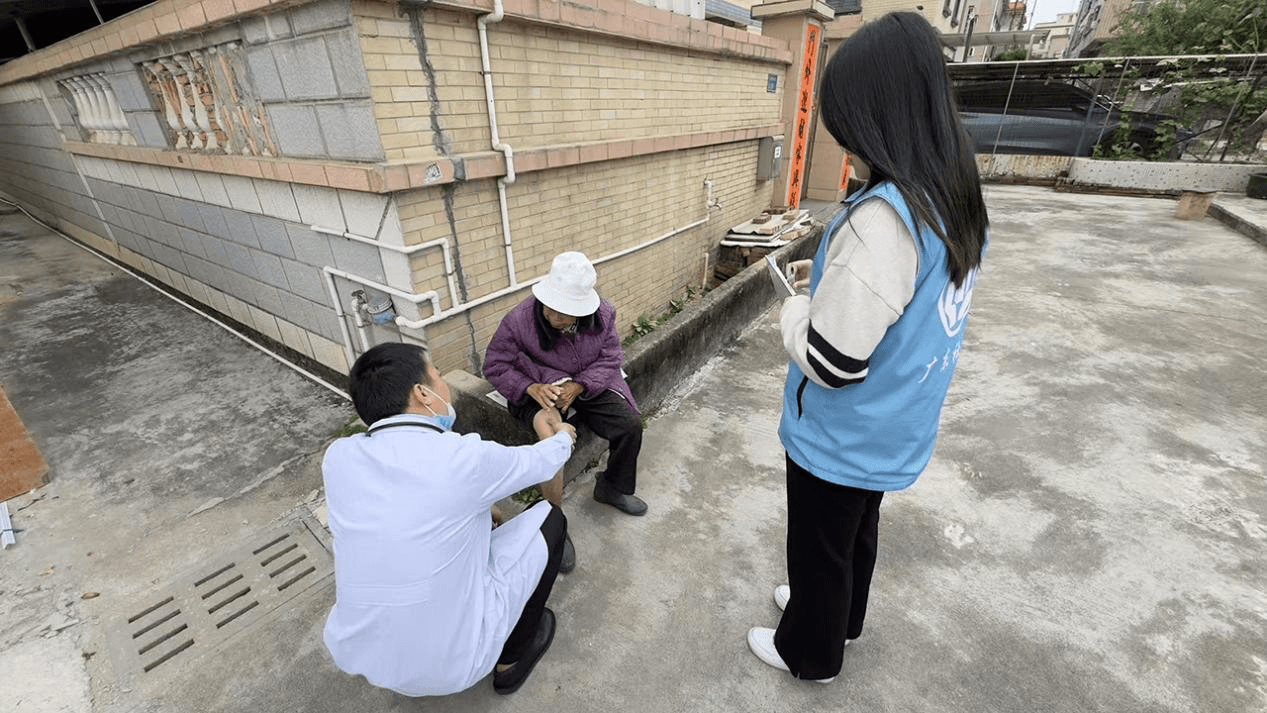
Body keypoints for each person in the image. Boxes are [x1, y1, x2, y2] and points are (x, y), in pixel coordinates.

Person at [747, 12, 989, 683]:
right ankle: (840, 618)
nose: (846, 147)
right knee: (854, 532)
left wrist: (795, 308)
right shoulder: (950, 195)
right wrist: (828, 278)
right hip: (895, 422)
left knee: (819, 544)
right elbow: (901, 298)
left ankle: (809, 652)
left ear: (882, 120)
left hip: (842, 434)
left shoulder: (882, 220)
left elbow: (832, 361)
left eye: (850, 129)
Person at [322, 342, 577, 697]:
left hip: (362, 656)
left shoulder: (339, 458)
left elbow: (415, 500)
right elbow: (541, 462)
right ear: (422, 393)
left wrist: (485, 508)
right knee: (551, 519)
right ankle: (511, 660)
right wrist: (563, 437)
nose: (445, 385)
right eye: (438, 375)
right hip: (454, 666)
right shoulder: (462, 458)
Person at [484, 252, 648, 570]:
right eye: (551, 307)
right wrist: (530, 387)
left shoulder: (603, 314)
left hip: (586, 383)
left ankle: (612, 487)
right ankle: (553, 527)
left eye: (564, 313)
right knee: (552, 442)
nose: (554, 316)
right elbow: (495, 365)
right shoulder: (519, 320)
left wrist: (580, 385)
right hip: (538, 387)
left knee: (630, 425)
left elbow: (611, 357)